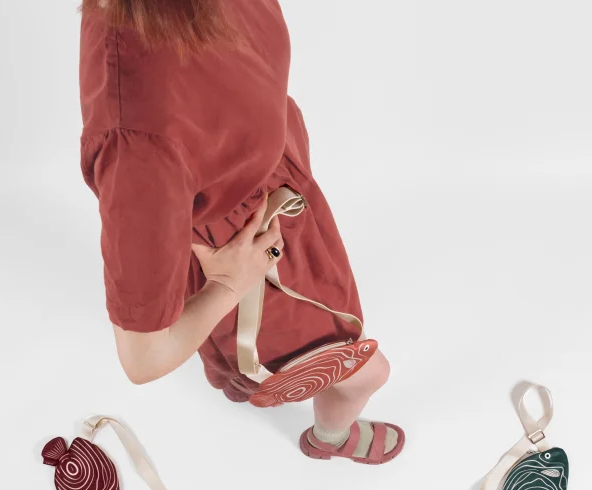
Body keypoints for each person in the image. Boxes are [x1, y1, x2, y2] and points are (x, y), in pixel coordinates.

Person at [79, 0, 404, 464]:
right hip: (250, 256)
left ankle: (240, 373)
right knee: (368, 375)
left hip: (285, 206)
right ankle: (330, 437)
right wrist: (230, 284)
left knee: (303, 343)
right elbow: (142, 358)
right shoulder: (138, 144)